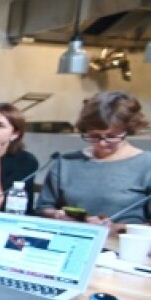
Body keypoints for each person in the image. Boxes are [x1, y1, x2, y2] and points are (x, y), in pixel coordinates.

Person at [38, 91, 151, 229]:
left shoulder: (146, 164)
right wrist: (57, 215)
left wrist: (117, 228)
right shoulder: (66, 162)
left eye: (111, 136)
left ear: (128, 129)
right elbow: (43, 208)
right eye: (94, 136)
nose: (102, 143)